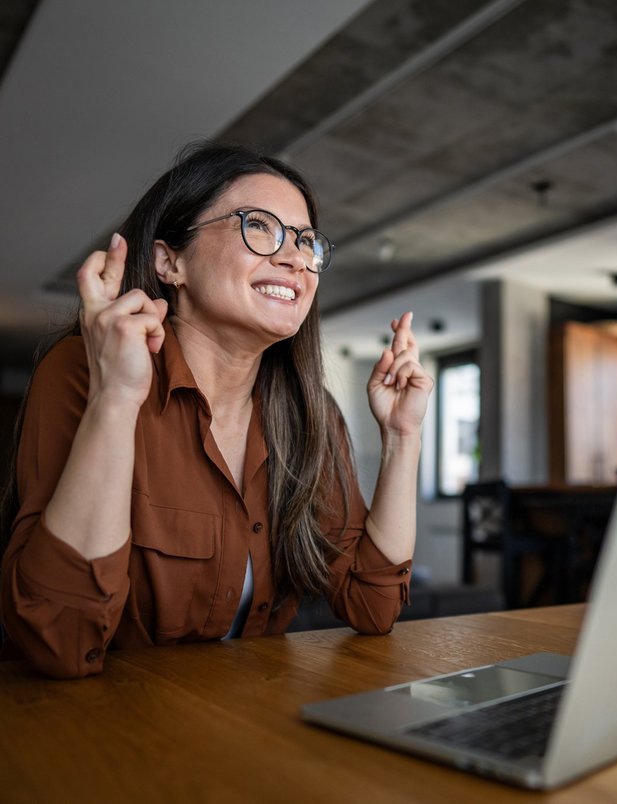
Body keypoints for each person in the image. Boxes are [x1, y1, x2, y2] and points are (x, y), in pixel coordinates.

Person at [0, 142, 433, 679]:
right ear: (169, 260)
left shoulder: (307, 408)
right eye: (260, 226)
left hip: (239, 724)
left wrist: (402, 437)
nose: (296, 257)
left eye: (305, 241)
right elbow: (59, 639)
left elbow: (373, 607)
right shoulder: (84, 369)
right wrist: (116, 397)